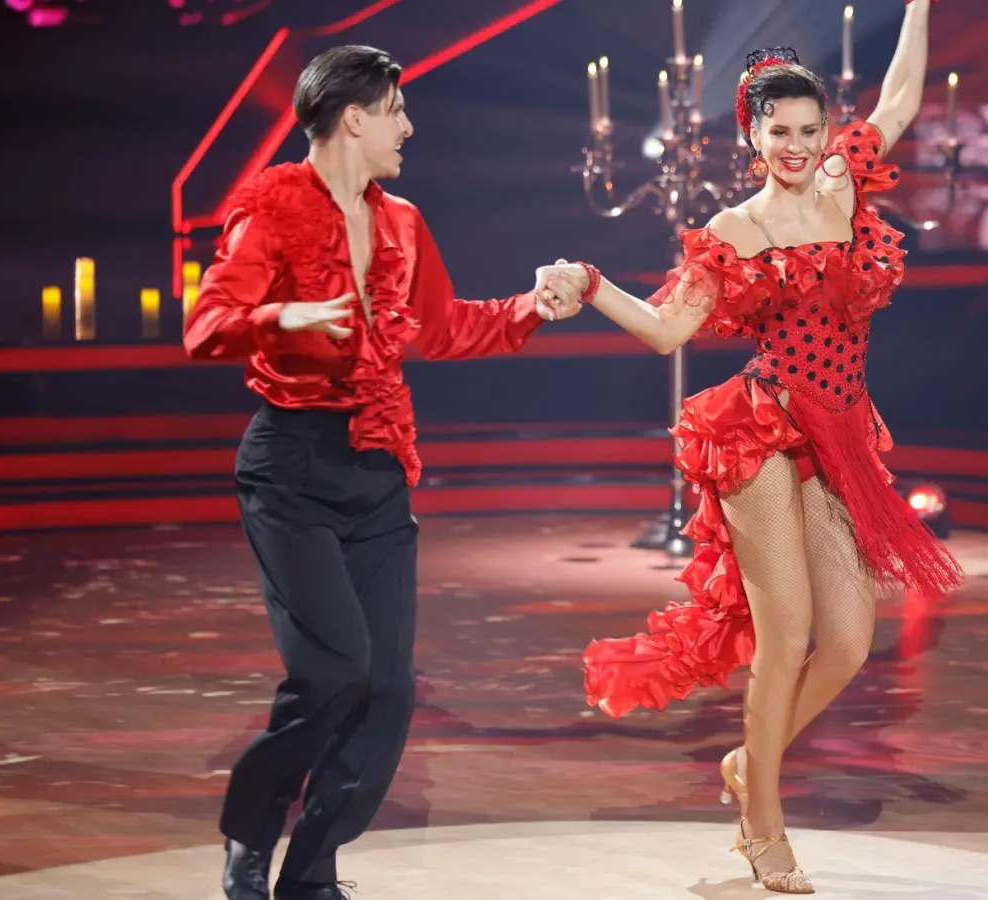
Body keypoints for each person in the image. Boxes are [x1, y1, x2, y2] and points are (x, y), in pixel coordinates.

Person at [551, 1, 959, 892]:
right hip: (762, 431)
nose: (798, 146)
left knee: (847, 643)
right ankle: (762, 825)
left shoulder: (846, 184)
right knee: (788, 635)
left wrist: (918, 6)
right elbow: (667, 329)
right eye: (780, 132)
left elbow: (899, 98)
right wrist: (590, 283)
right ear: (753, 136)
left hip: (842, 432)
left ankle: (748, 761)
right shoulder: (739, 227)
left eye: (811, 130)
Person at [182, 45, 588, 900]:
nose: (409, 127)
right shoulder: (270, 210)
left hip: (377, 465)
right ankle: (250, 832)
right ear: (354, 117)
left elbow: (441, 328)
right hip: (291, 465)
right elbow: (205, 324)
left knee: (390, 691)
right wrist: (281, 316)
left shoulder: (401, 220)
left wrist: (530, 308)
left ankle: (311, 872)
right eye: (397, 111)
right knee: (333, 671)